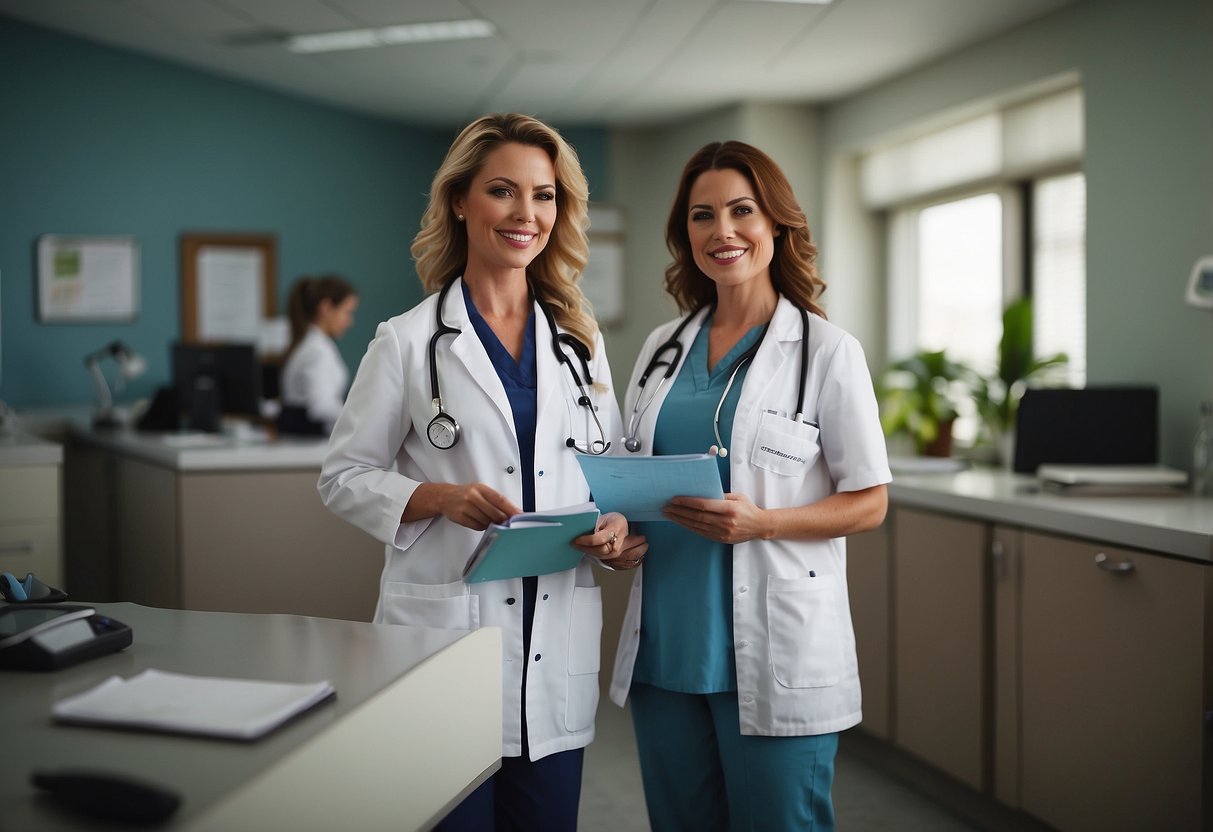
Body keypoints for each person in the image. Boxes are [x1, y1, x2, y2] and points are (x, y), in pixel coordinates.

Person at [318, 113, 645, 831]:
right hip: (445, 641)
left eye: (545, 195)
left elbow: (610, 475)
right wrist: (437, 496)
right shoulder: (406, 342)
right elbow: (342, 476)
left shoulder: (580, 344)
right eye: (503, 191)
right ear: (460, 200)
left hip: (555, 642)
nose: (526, 214)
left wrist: (619, 530)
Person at [609, 141, 891, 831]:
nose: (722, 231)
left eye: (742, 211)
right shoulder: (659, 349)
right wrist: (617, 530)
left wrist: (765, 522)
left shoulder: (826, 352)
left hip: (773, 650)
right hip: (665, 651)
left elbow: (870, 501)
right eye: (702, 216)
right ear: (686, 235)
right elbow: (626, 474)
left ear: (776, 224)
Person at [279, 274, 358, 434]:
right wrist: (363, 418)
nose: (350, 321)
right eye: (347, 312)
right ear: (326, 307)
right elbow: (321, 406)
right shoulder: (318, 351)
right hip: (312, 443)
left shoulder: (308, 344)